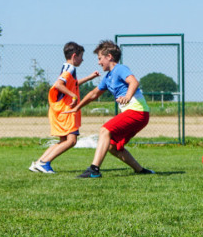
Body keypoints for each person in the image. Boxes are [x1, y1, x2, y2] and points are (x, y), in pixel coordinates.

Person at [65, 40, 154, 178]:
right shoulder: (107, 77)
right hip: (136, 114)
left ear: (109, 57)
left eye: (100, 58)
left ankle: (94, 170)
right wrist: (77, 107)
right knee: (113, 146)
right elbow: (93, 94)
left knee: (105, 130)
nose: (99, 62)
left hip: (138, 112)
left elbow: (134, 82)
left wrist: (128, 96)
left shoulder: (120, 69)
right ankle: (140, 170)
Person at [29, 42, 99, 173]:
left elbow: (73, 84)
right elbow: (58, 84)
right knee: (71, 140)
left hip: (60, 110)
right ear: (74, 56)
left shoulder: (66, 67)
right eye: (81, 56)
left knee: (63, 140)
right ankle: (44, 163)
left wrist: (90, 77)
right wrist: (73, 96)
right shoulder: (70, 69)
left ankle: (39, 162)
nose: (82, 59)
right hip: (66, 110)